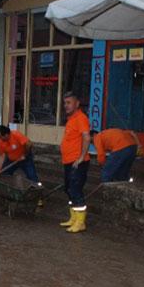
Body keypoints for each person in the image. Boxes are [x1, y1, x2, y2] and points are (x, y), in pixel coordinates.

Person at [59, 92, 91, 234]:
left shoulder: (81, 118)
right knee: (69, 189)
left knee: (75, 190)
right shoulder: (71, 119)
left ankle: (80, 222)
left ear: (77, 103)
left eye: (69, 102)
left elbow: (86, 137)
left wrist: (81, 157)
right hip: (68, 161)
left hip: (77, 162)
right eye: (65, 103)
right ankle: (73, 218)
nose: (66, 105)